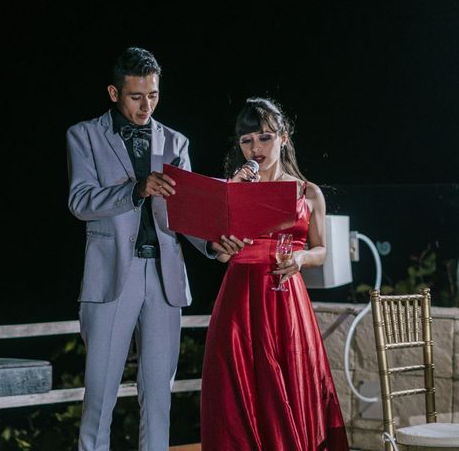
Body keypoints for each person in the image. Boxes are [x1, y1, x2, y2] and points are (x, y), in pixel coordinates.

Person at [66, 46, 246, 451]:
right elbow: (80, 202)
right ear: (114, 93)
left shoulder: (176, 142)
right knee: (100, 395)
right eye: (136, 96)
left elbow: (185, 214)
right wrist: (136, 189)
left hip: (164, 279)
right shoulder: (84, 135)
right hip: (113, 276)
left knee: (159, 396)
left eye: (153, 95)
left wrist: (214, 244)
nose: (146, 105)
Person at [200, 97, 349, 450]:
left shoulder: (307, 192)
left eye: (265, 137)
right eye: (247, 140)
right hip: (238, 298)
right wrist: (229, 211)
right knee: (237, 392)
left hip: (285, 298)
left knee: (291, 386)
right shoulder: (232, 190)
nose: (256, 147)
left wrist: (300, 259)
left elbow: (322, 250)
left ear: (283, 137)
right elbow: (220, 255)